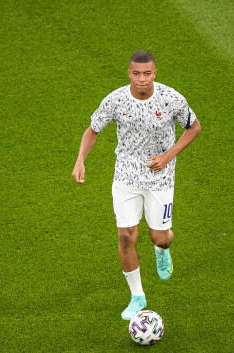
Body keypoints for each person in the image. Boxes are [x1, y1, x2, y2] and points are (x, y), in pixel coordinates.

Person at [72, 51, 201, 320]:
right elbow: (93, 129)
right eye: (136, 73)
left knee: (160, 237)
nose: (141, 79)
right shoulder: (116, 99)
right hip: (126, 177)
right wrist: (80, 159)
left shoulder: (171, 99)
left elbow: (194, 127)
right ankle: (137, 297)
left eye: (147, 73)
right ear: (128, 73)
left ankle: (161, 250)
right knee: (126, 236)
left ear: (155, 73)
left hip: (161, 179)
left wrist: (168, 155)